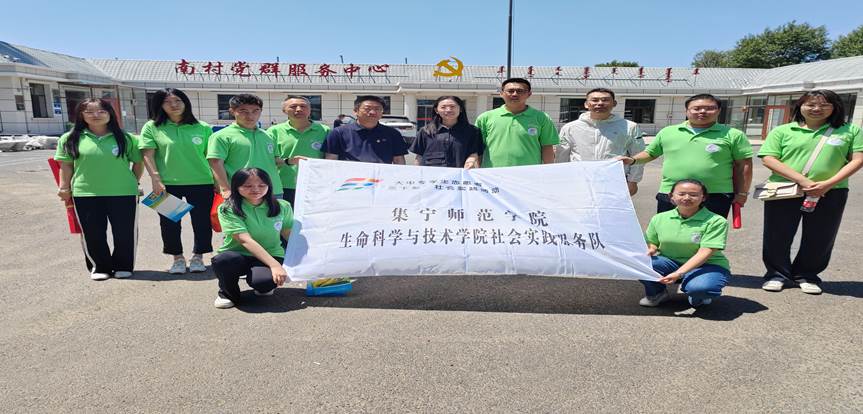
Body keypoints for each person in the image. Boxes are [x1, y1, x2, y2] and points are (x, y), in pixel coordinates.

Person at [759, 90, 863, 294]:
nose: (816, 109)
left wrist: (828, 183)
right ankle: (777, 274)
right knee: (777, 234)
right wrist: (803, 181)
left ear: (835, 107)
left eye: (824, 105)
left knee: (821, 235)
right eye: (810, 104)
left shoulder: (849, 130)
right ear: (800, 107)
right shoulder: (783, 130)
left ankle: (807, 275)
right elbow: (769, 158)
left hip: (830, 191)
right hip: (785, 190)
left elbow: (857, 160)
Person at [619, 94, 753, 217]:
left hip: (716, 194)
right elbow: (651, 153)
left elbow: (744, 166)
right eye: (697, 108)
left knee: (711, 232)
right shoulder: (668, 132)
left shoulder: (733, 135)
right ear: (687, 111)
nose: (702, 111)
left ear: (718, 111)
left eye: (709, 108)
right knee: (669, 231)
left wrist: (742, 193)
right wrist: (632, 160)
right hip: (672, 193)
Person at [55, 99, 143, 280]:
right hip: (85, 193)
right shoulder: (70, 138)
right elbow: (66, 165)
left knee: (125, 232)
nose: (96, 115)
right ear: (81, 115)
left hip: (123, 193)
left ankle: (123, 266)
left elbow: (138, 162)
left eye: (101, 111)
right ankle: (100, 266)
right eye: (89, 112)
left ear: (110, 114)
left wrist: (133, 182)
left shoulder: (126, 138)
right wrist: (64, 187)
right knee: (92, 233)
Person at [140, 88, 214, 274]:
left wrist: (218, 182)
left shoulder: (202, 127)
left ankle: (198, 256)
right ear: (160, 105)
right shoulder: (152, 127)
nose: (174, 105)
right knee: (169, 224)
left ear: (185, 103)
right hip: (167, 183)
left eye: (178, 101)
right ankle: (177, 258)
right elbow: (147, 154)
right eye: (167, 102)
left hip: (201, 181)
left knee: (201, 222)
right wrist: (155, 179)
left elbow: (211, 157)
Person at [638, 179, 730, 309]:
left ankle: (698, 295)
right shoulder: (659, 218)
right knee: (640, 264)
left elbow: (705, 252)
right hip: (670, 262)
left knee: (700, 288)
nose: (687, 198)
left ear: (703, 197)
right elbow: (652, 242)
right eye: (681, 194)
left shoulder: (716, 221)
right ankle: (657, 294)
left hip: (707, 265)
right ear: (671, 196)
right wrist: (651, 249)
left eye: (693, 195)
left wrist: (679, 273)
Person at [211, 168, 293, 309]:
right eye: (248, 186)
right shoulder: (227, 208)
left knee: (264, 283)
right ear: (236, 187)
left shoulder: (283, 206)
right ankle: (227, 293)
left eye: (262, 185)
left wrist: (306, 262)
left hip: (271, 253)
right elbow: (244, 240)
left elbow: (288, 233)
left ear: (269, 185)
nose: (255, 189)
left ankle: (262, 284)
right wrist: (275, 266)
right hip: (238, 254)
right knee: (223, 261)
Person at [555, 88, 645, 195]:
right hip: (580, 181)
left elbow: (637, 155)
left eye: (605, 100)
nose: (600, 103)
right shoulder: (570, 127)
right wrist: (561, 179)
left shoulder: (629, 127)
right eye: (595, 100)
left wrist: (633, 181)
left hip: (615, 181)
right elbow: (562, 156)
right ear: (586, 104)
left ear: (614, 103)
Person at [207, 94, 283, 200]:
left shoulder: (268, 135)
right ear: (232, 111)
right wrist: (225, 189)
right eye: (243, 111)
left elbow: (275, 160)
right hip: (241, 192)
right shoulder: (221, 136)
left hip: (273, 191)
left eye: (255, 111)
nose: (250, 116)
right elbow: (215, 163)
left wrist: (292, 161)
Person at [475, 78, 558, 167]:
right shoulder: (485, 118)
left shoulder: (542, 118)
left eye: (520, 91)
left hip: (529, 173)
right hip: (493, 173)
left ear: (529, 94)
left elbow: (547, 147)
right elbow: (478, 149)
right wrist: (476, 171)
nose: (515, 94)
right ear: (501, 94)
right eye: (510, 91)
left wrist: (549, 170)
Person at [267, 96, 330, 206]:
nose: (299, 109)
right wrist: (289, 161)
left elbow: (330, 159)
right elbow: (268, 159)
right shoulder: (274, 131)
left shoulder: (324, 130)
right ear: (284, 110)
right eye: (293, 106)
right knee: (285, 216)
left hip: (314, 185)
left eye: (303, 106)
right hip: (283, 185)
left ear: (310, 110)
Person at [322, 95, 408, 165]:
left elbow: (398, 160)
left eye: (377, 109)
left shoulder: (393, 134)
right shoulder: (338, 133)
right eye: (367, 109)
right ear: (356, 111)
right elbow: (331, 160)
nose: (372, 112)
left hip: (382, 178)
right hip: (349, 179)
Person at [409, 96, 483, 168]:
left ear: (460, 109)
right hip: (431, 175)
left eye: (452, 106)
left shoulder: (472, 131)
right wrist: (416, 172)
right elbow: (419, 156)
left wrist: (471, 161)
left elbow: (474, 153)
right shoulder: (425, 131)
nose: (448, 110)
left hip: (460, 174)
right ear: (436, 110)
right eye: (443, 107)